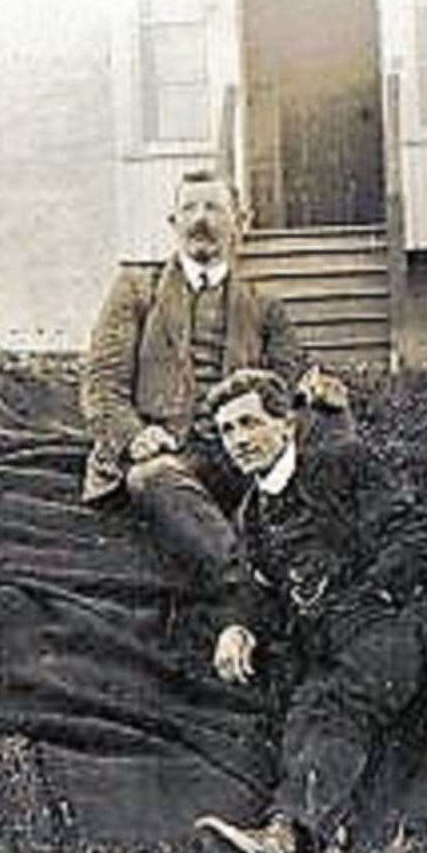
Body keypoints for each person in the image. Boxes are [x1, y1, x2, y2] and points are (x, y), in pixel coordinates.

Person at [188, 369, 427, 853]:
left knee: (334, 702)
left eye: (249, 423)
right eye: (228, 431)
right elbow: (252, 586)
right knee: (304, 709)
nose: (238, 440)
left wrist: (369, 595)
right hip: (330, 644)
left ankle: (287, 838)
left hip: (398, 628)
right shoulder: (253, 511)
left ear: (286, 425)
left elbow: (423, 535)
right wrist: (237, 626)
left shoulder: (341, 465)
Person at [79, 169, 350, 591]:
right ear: (173, 223)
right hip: (165, 457)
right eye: (189, 208)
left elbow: (284, 390)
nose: (200, 219)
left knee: (327, 445)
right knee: (151, 478)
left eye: (214, 208)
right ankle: (246, 584)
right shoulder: (136, 290)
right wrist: (134, 437)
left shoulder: (265, 308)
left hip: (237, 455)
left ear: (241, 222)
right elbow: (102, 386)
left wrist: (317, 393)